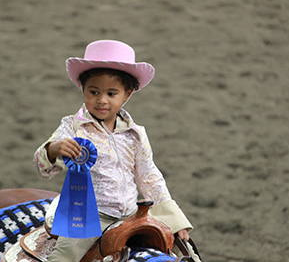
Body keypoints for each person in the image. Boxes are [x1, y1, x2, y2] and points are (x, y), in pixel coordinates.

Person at [33, 40, 200, 262]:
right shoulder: (72, 127)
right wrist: (54, 149)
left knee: (187, 253)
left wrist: (174, 221)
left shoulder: (136, 134)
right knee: (64, 256)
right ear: (83, 89)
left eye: (112, 94)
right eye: (94, 92)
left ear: (127, 94)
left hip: (132, 214)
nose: (101, 100)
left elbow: (149, 176)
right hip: (88, 215)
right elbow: (41, 166)